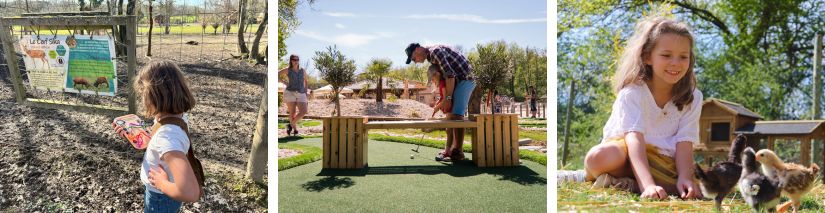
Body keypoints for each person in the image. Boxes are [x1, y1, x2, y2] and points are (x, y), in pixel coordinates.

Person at [583, 17, 703, 200]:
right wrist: (647, 185)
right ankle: (640, 182)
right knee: (597, 157)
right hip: (626, 155)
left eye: (683, 57)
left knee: (698, 180)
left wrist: (685, 177)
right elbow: (634, 140)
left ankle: (626, 182)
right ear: (648, 57)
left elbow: (685, 143)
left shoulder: (693, 97)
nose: (675, 63)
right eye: (666, 55)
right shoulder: (633, 93)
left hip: (665, 163)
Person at [114, 61, 201, 211]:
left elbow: (191, 193)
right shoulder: (175, 117)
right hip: (163, 194)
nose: (142, 101)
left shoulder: (167, 137)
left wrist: (162, 184)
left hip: (162, 197)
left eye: (142, 95)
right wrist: (135, 135)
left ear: (152, 97)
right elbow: (160, 142)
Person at [406, 43, 475, 161]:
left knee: (457, 115)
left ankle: (458, 153)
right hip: (459, 80)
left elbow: (450, 75)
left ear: (417, 49)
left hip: (465, 79)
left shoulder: (435, 52)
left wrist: (448, 98)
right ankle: (452, 150)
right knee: (450, 116)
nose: (415, 62)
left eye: (413, 58)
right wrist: (444, 99)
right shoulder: (431, 57)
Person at [278, 54, 309, 136]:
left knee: (304, 111)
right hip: (290, 92)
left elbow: (306, 81)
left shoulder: (302, 70)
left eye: (297, 59)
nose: (296, 61)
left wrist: (305, 92)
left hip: (301, 93)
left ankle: (290, 125)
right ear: (291, 61)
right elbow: (276, 74)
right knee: (292, 113)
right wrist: (284, 82)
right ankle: (295, 130)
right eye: (294, 60)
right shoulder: (288, 70)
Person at [428, 65, 453, 160]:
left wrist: (438, 106)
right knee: (448, 129)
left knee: (449, 130)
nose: (433, 80)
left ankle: (447, 152)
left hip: (449, 108)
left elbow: (446, 98)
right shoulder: (441, 83)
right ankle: (448, 150)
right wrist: (437, 104)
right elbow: (443, 98)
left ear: (438, 74)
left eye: (433, 78)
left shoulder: (442, 83)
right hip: (447, 108)